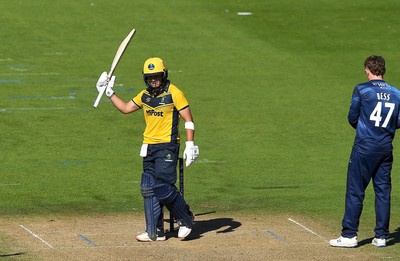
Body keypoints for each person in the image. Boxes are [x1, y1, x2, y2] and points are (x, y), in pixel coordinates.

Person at [96, 57, 199, 242]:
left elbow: (189, 120)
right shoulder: (144, 95)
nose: (153, 81)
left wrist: (190, 145)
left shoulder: (175, 93)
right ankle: (155, 231)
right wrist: (109, 93)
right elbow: (126, 108)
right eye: (150, 78)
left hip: (167, 145)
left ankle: (186, 219)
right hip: (149, 146)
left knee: (163, 187)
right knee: (148, 187)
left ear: (164, 75)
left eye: (157, 77)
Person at [330, 55, 400, 248]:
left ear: (368, 70)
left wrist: (366, 128)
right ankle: (382, 236)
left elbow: (352, 116)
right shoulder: (396, 92)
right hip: (386, 147)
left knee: (355, 190)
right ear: (383, 70)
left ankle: (349, 235)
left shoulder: (362, 89)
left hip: (364, 147)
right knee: (383, 192)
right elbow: (399, 121)